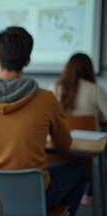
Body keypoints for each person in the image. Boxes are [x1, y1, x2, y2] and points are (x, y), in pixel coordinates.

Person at [0, 26, 88, 216]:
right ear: (27, 61)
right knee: (79, 170)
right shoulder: (47, 99)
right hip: (35, 196)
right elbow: (65, 143)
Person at [49, 53, 107, 205]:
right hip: (89, 154)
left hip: (57, 154)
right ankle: (90, 192)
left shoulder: (53, 89)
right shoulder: (95, 90)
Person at [49, 53, 107, 131]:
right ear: (89, 69)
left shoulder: (53, 88)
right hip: (91, 141)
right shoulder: (96, 90)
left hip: (61, 141)